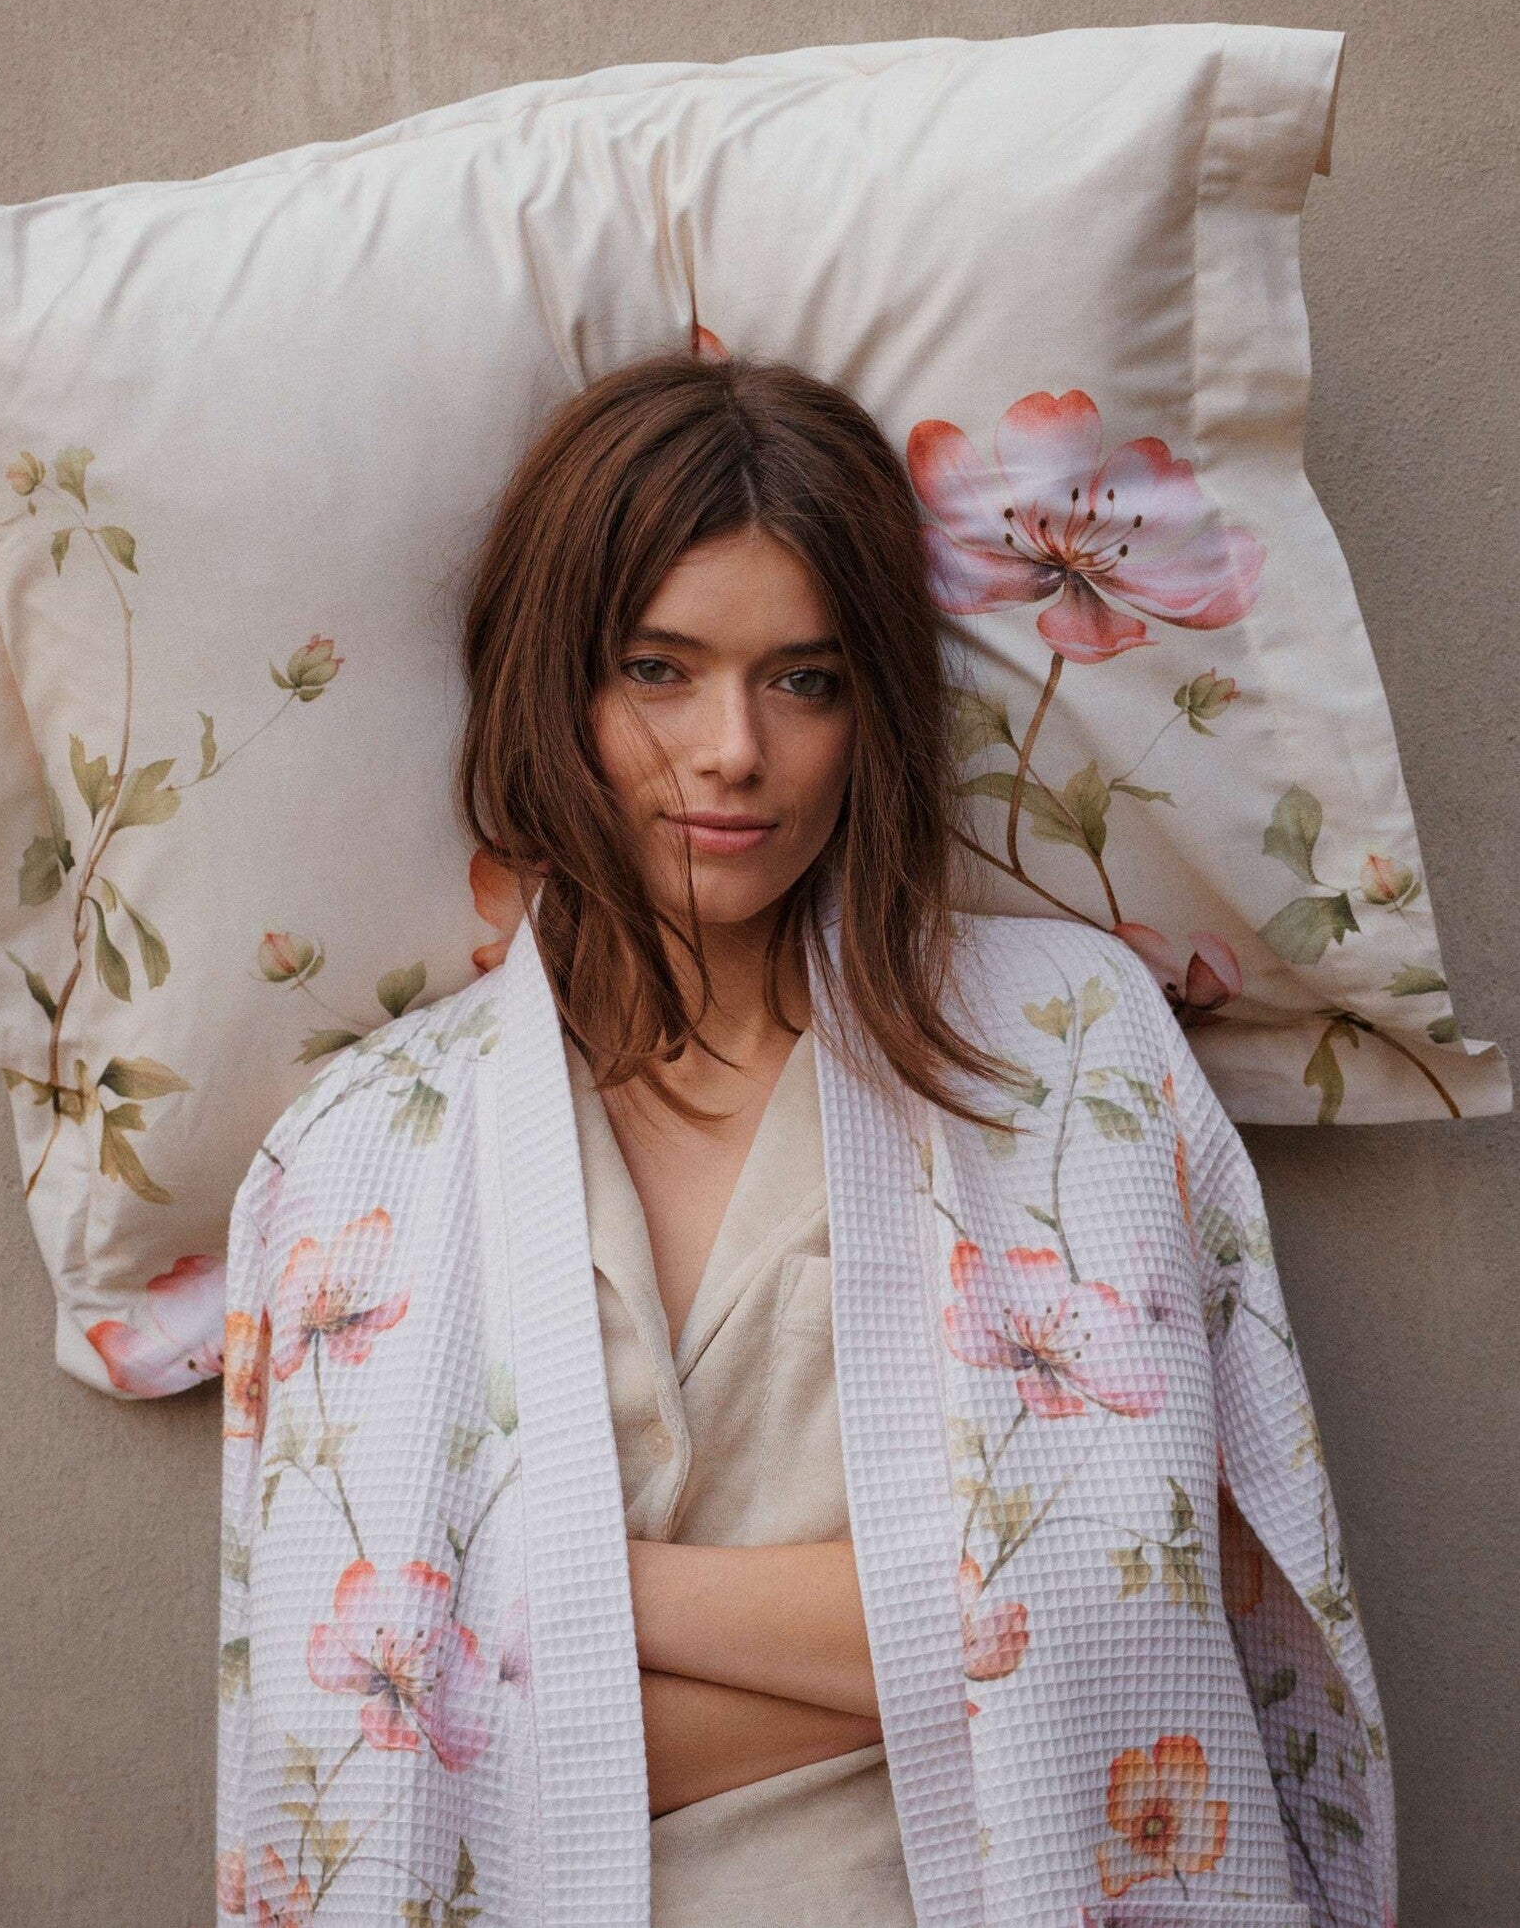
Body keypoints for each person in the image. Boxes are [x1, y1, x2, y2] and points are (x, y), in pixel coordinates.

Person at [216, 349, 1395, 1928]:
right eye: (657, 669)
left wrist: (549, 1589)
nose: (732, 751)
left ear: (872, 706)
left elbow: (1134, 1606)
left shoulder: (1062, 1048)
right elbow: (347, 1746)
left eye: (804, 680)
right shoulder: (360, 1155)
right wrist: (950, 1639)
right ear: (552, 684)